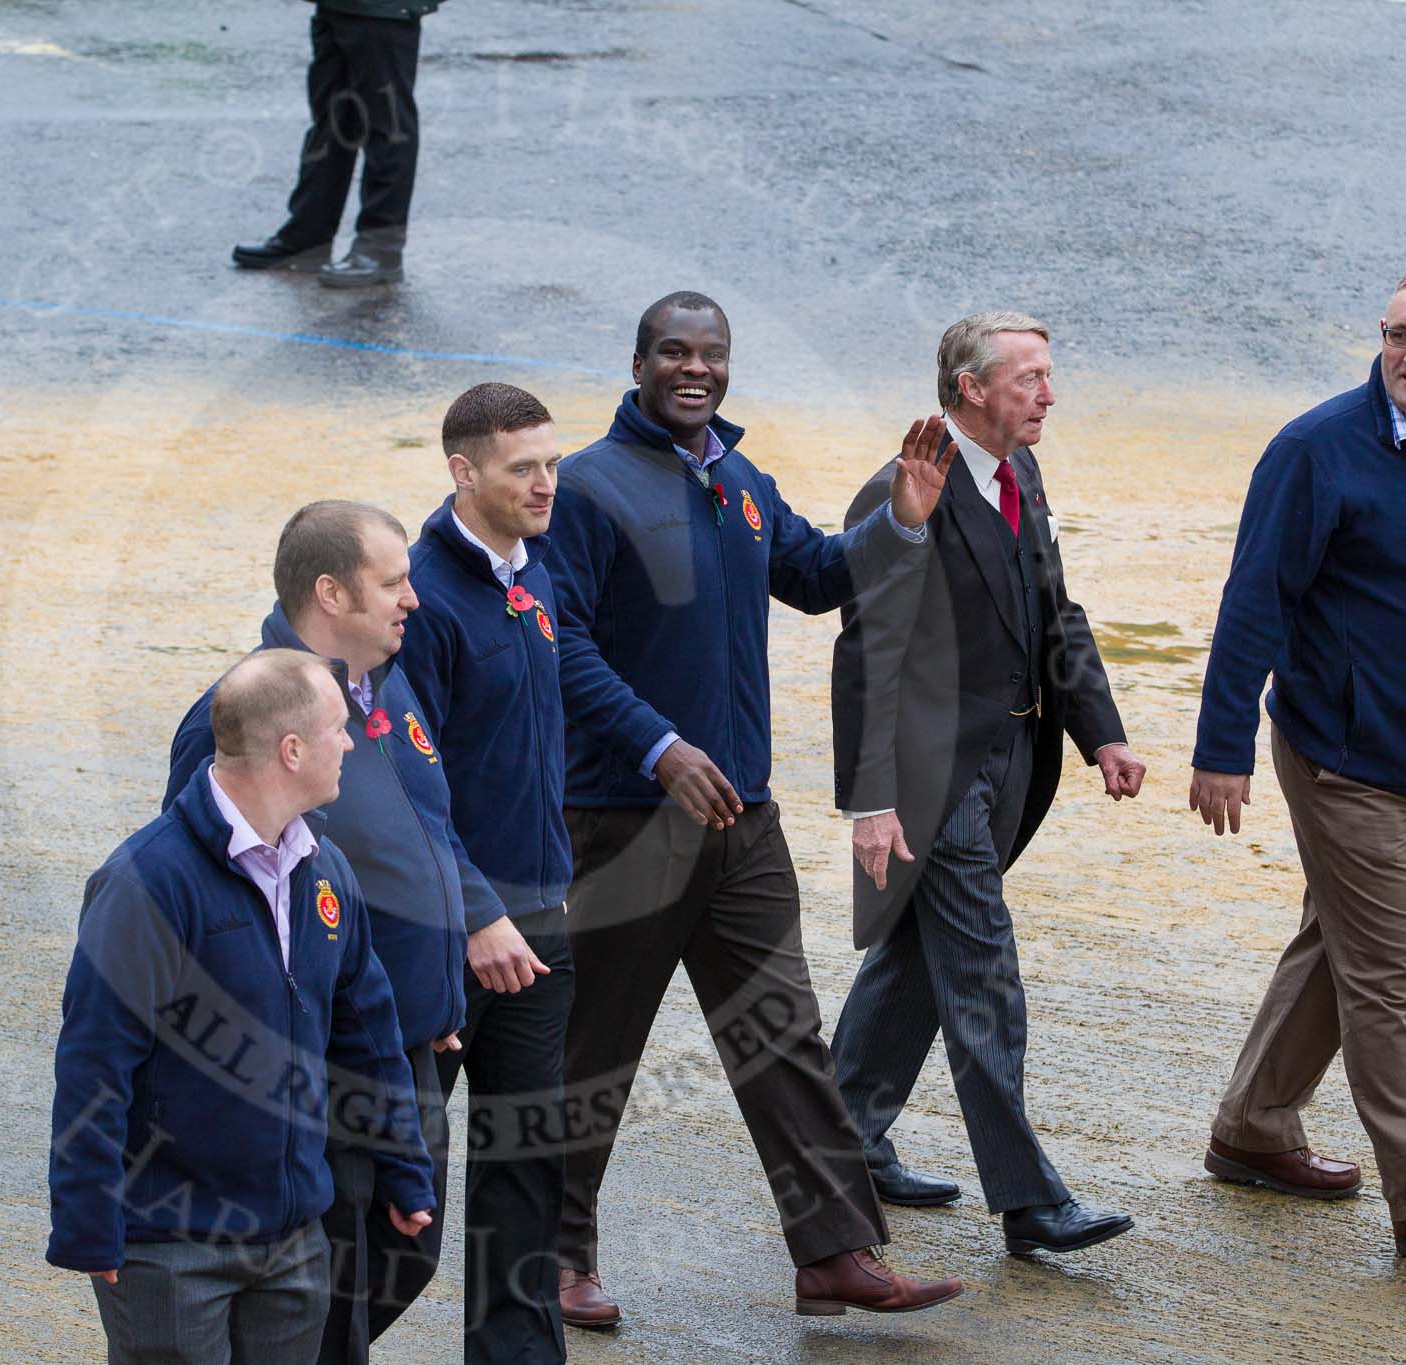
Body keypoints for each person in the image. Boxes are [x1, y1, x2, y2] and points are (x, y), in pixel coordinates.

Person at [545, 290, 964, 1325]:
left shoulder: (738, 481)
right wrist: (657, 746)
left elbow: (819, 577)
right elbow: (560, 646)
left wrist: (896, 518)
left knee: (781, 1034)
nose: (695, 370)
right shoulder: (587, 491)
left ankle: (832, 1252)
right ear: (637, 362)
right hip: (621, 819)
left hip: (742, 819)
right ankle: (548, 1260)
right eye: (673, 353)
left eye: (711, 355)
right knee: (594, 1050)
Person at [1191, 263, 1406, 1265]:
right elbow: (1253, 604)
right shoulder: (1315, 449)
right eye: (1394, 335)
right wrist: (1219, 746)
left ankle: (1250, 1128)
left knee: (1338, 949)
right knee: (1386, 976)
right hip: (1344, 756)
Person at [829, 311, 1147, 1256]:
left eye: (1048, 377)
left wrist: (1101, 733)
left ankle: (841, 1138)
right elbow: (867, 657)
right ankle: (1031, 1201)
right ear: (971, 387)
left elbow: (1054, 607)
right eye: (1031, 378)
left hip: (1011, 765)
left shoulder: (1022, 475)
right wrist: (871, 799)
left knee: (922, 959)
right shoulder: (896, 497)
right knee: (983, 976)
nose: (1049, 394)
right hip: (933, 778)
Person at [50, 649, 438, 1364]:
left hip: (291, 1243)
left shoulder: (326, 871)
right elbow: (93, 1061)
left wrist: (406, 1167)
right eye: (337, 728)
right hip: (168, 1247)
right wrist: (86, 1220)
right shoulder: (147, 882)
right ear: (292, 750)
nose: (352, 740)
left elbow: (369, 1036)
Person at [163, 501, 479, 1364]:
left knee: (402, 1257)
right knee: (332, 1285)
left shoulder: (386, 682)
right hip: (321, 1057)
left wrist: (441, 976)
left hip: (409, 1039)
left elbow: (424, 834)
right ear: (331, 593)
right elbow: (202, 905)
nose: (413, 600)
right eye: (394, 582)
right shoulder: (245, 714)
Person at [400, 383, 573, 1361]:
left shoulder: (533, 572)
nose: (546, 483)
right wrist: (470, 914)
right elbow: (402, 790)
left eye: (551, 462)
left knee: (525, 1174)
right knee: (399, 1185)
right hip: (449, 938)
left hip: (544, 923)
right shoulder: (420, 600)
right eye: (523, 468)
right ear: (464, 472)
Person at [231, 0, 437, 289]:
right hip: (338, 7)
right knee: (332, 120)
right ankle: (307, 239)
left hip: (384, 9)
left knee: (387, 125)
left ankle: (381, 250)